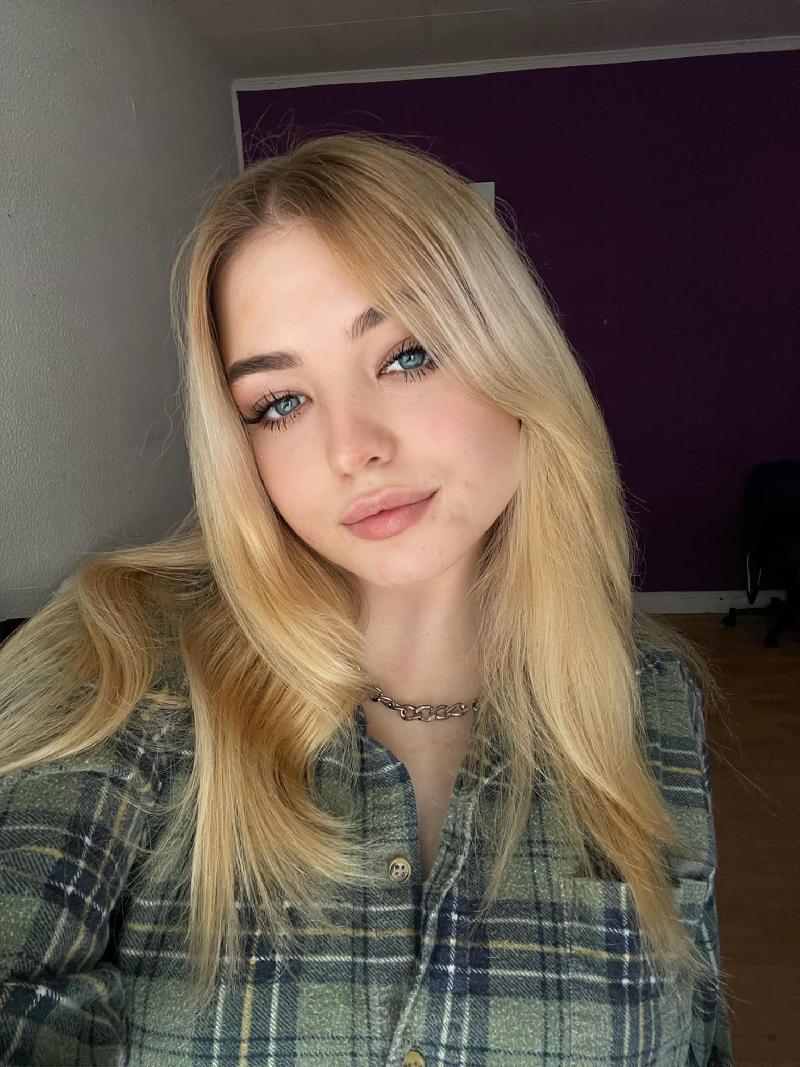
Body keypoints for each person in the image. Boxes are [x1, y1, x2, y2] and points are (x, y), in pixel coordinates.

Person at [0, 130, 732, 1065]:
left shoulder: (651, 694)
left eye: (407, 354)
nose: (352, 449)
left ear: (513, 354)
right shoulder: (118, 654)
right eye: (280, 403)